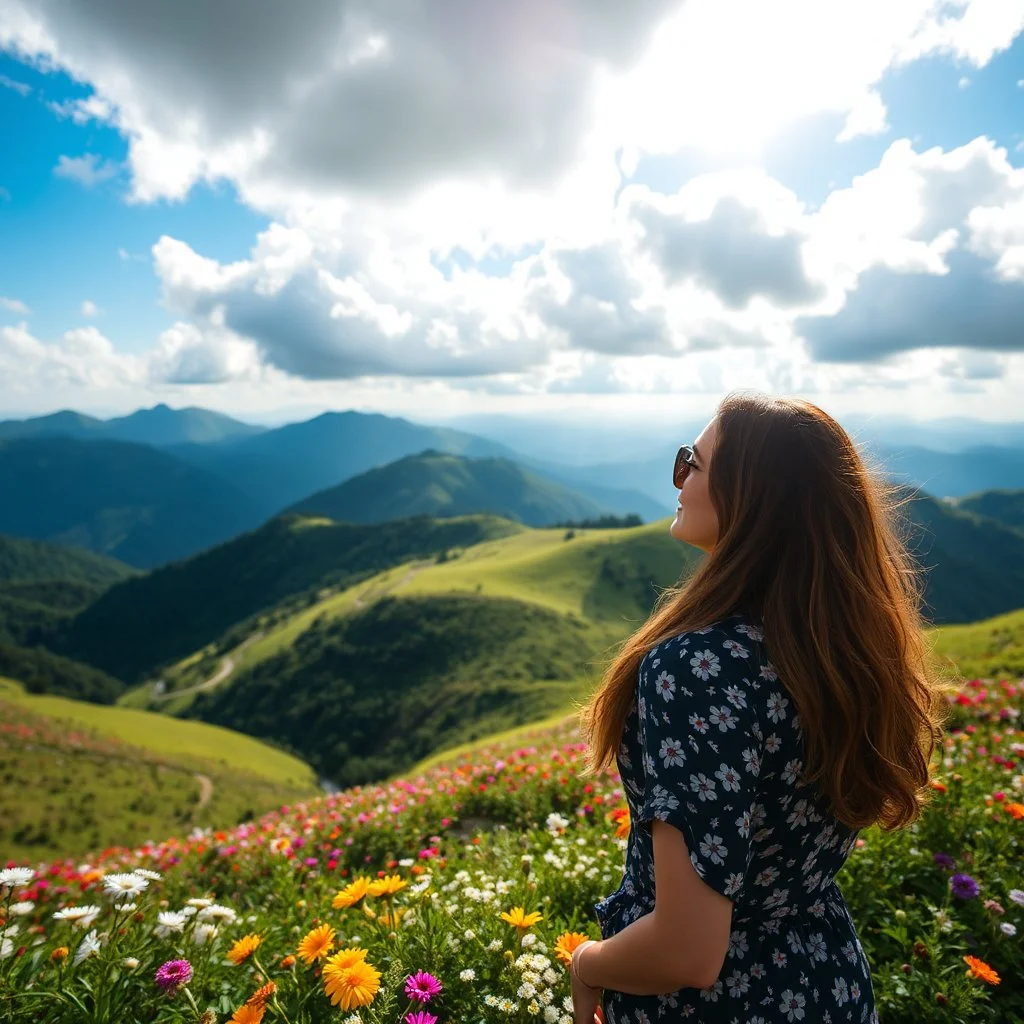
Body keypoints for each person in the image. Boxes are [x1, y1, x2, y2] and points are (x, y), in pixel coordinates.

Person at [570, 392, 947, 1024]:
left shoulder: (696, 668)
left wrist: (587, 964)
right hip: (826, 980)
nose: (679, 475)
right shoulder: (837, 651)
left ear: (754, 497)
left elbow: (687, 951)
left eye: (694, 460)